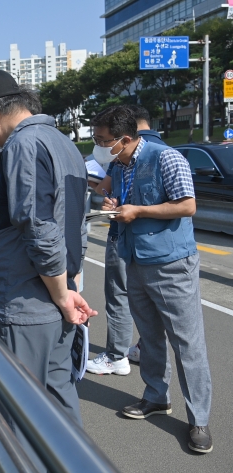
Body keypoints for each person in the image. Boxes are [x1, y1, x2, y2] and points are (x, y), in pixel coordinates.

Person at [0, 69, 97, 428]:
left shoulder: (23, 144)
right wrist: (67, 286)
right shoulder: (62, 141)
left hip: (25, 303)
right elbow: (76, 222)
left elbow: (38, 226)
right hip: (54, 296)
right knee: (60, 405)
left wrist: (62, 293)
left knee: (22, 414)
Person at [93, 105, 213, 454]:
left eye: (103, 141)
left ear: (125, 138)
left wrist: (138, 211)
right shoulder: (119, 165)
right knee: (149, 337)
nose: (100, 147)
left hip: (171, 264)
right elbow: (117, 198)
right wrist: (114, 203)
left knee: (187, 343)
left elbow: (187, 206)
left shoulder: (167, 158)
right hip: (134, 260)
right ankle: (156, 397)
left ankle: (199, 419)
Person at [86, 105, 165, 374]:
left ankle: (116, 355)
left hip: (128, 239)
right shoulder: (132, 158)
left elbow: (100, 185)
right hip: (153, 246)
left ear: (127, 133)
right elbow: (109, 191)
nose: (100, 146)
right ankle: (143, 353)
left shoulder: (143, 155)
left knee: (120, 293)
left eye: (103, 140)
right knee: (149, 304)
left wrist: (126, 207)